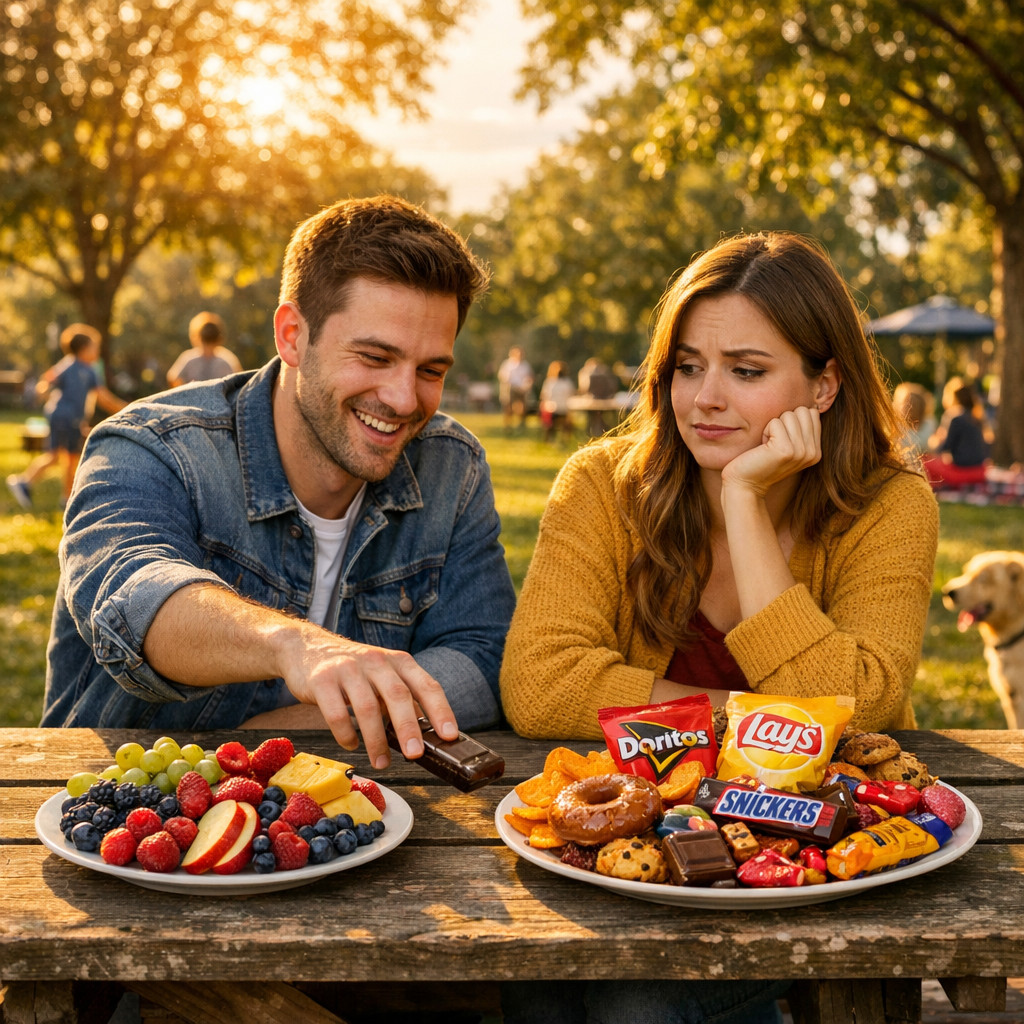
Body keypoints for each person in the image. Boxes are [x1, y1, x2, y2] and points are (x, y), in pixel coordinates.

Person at [499, 232, 939, 1024]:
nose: (705, 398)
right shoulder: (604, 485)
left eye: (747, 371)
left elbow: (860, 703)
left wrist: (743, 505)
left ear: (825, 386)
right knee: (536, 982)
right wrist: (754, 725)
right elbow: (540, 682)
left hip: (821, 869)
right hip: (635, 865)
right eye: (688, 367)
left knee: (637, 1009)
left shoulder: (889, 505)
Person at [41, 195, 516, 772]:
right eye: (373, 357)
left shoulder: (452, 465)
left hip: (351, 833)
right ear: (292, 336)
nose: (404, 398)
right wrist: (298, 647)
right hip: (122, 832)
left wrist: (275, 739)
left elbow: (485, 657)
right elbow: (136, 598)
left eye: (431, 370)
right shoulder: (149, 446)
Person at [7, 324, 126, 509]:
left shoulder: (67, 364)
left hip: (59, 414)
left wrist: (44, 389)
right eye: (95, 347)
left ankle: (33, 486)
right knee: (69, 456)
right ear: (85, 349)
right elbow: (102, 397)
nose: (97, 351)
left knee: (59, 456)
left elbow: (47, 380)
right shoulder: (87, 369)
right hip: (67, 417)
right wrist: (126, 408)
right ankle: (61, 497)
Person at [922, 377, 992, 488]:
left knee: (923, 462)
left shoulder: (955, 417)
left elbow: (944, 448)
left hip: (961, 471)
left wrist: (935, 440)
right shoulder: (977, 416)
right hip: (980, 470)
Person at [166, 311, 243, 387]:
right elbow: (240, 381)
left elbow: (173, 378)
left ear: (197, 336)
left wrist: (185, 393)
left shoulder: (189, 358)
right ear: (219, 338)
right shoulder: (228, 359)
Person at [892, 380, 935, 459]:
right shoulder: (895, 425)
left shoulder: (929, 425)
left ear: (922, 408)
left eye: (914, 405)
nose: (910, 408)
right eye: (907, 404)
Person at [497, 345, 534, 431]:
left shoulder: (525, 365)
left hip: (522, 388)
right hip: (510, 388)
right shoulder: (507, 364)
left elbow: (530, 376)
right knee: (508, 406)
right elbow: (502, 376)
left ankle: (522, 423)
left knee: (523, 406)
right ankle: (508, 425)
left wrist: (526, 384)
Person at [539, 360, 576, 442]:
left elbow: (544, 397)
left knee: (545, 414)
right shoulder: (568, 383)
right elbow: (572, 395)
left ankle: (548, 439)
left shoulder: (549, 382)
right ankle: (565, 439)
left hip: (552, 410)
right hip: (564, 410)